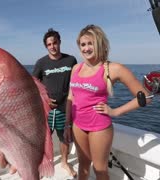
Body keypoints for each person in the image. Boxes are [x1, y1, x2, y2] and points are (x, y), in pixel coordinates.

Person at [64, 24, 152, 180]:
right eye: (83, 44)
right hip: (78, 124)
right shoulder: (76, 68)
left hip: (99, 126)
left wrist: (116, 111)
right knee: (82, 165)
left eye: (90, 43)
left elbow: (146, 97)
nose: (86, 48)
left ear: (99, 43)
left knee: (100, 170)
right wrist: (67, 124)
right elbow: (71, 96)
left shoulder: (113, 69)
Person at [32, 28, 77, 177]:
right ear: (46, 46)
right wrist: (44, 99)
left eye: (55, 43)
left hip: (65, 108)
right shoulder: (41, 63)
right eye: (49, 44)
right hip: (46, 109)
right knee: (43, 138)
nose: (52, 46)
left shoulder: (71, 60)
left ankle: (64, 162)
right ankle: (41, 165)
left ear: (59, 42)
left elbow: (76, 84)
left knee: (64, 137)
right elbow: (33, 84)